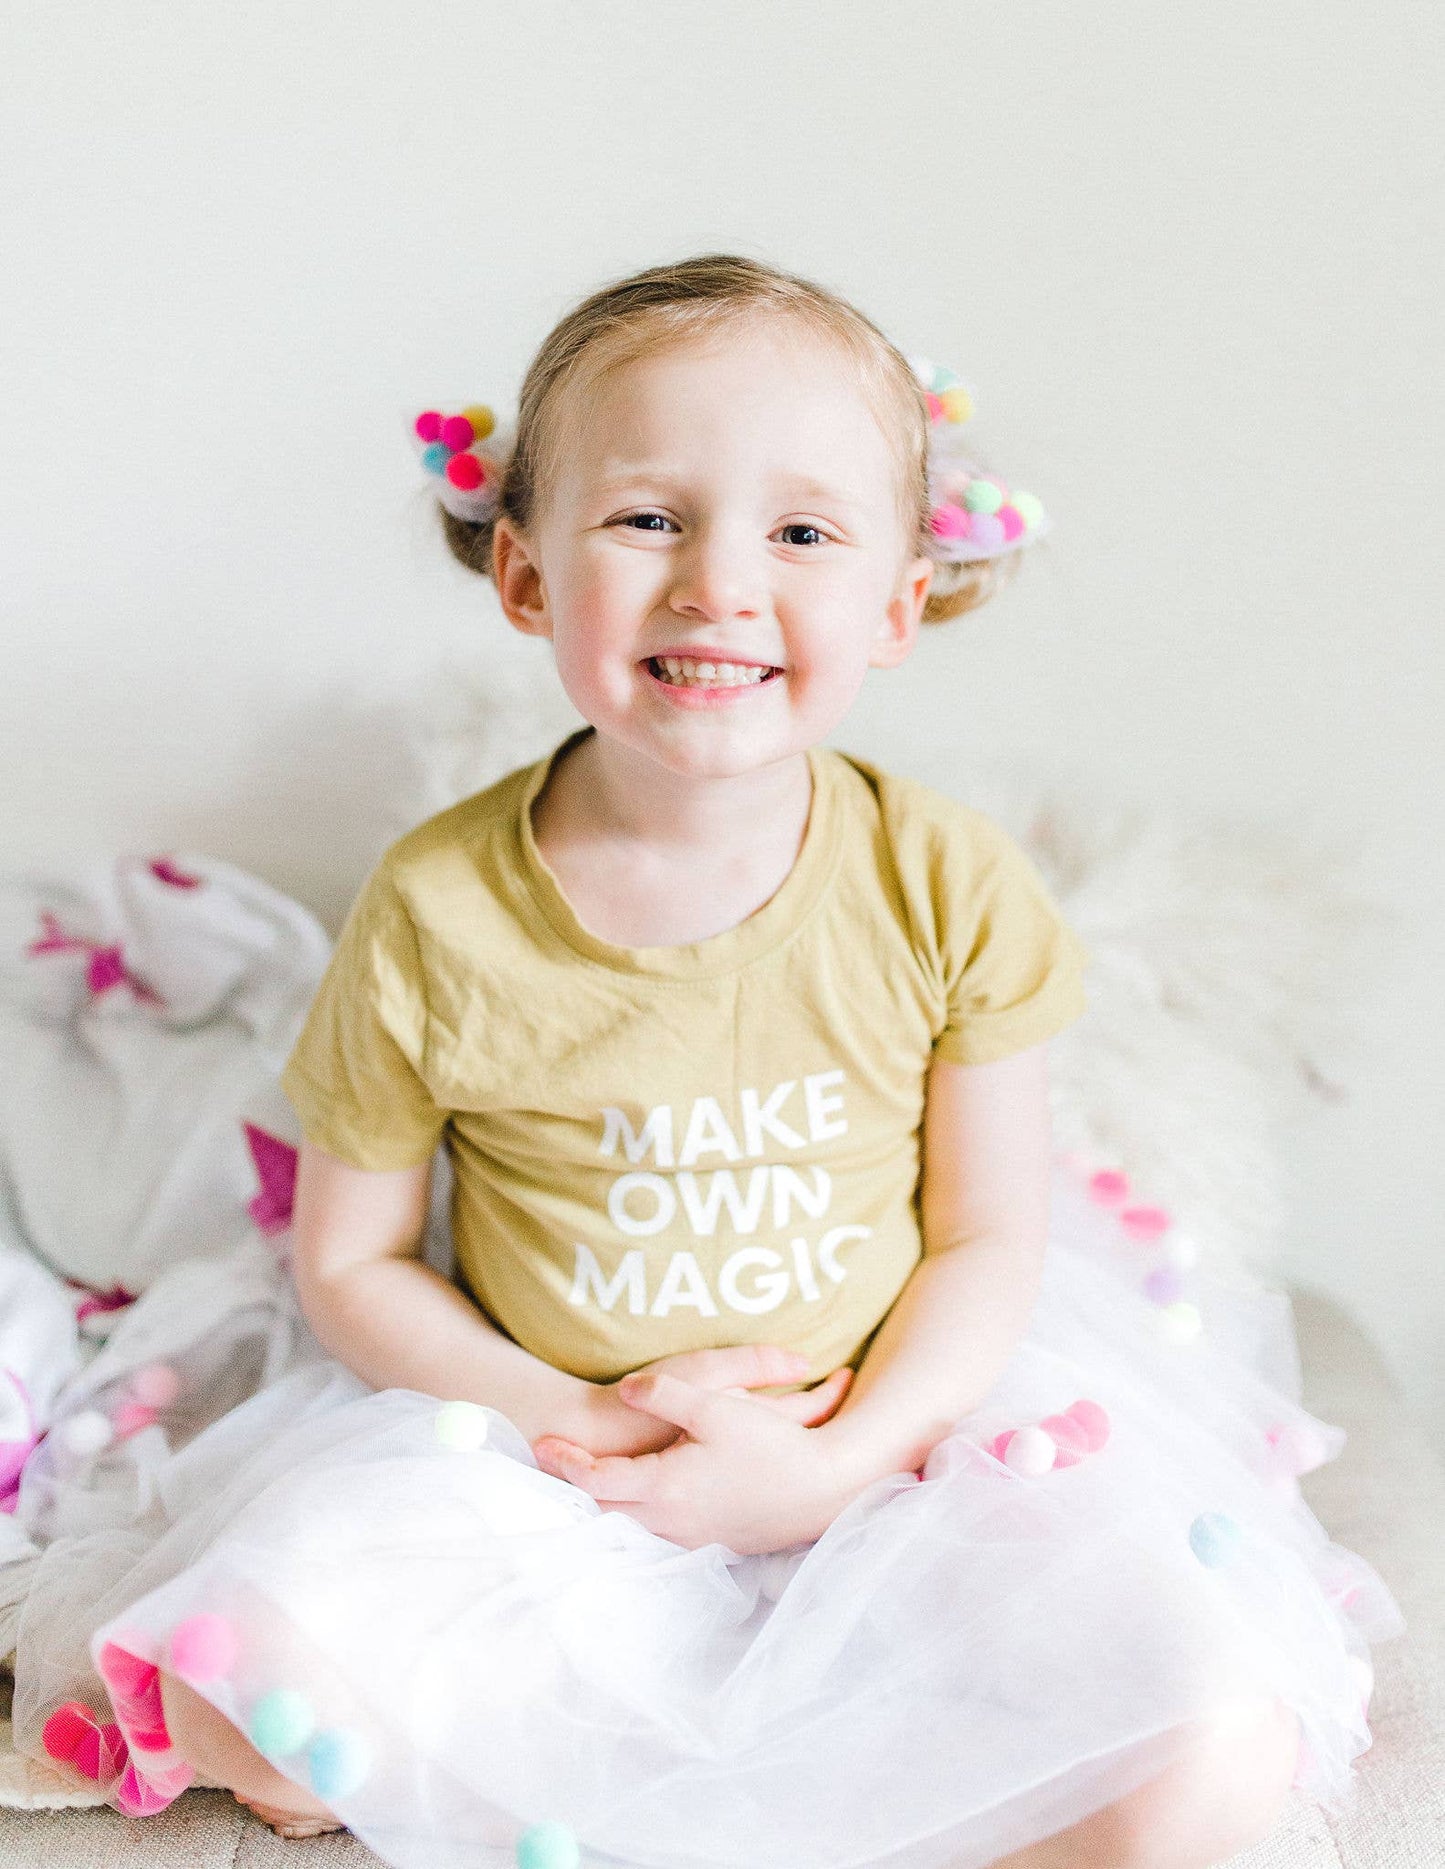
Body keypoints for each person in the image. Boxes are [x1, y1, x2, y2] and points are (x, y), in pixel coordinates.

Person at [24, 255, 1400, 1869]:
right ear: (525, 574)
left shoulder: (945, 880)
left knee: (1204, 1741)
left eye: (801, 533)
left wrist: (833, 1459)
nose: (718, 584)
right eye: (647, 518)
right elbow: (353, 1260)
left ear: (899, 600)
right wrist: (583, 1426)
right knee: (253, 1674)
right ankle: (622, 1736)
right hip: (546, 1461)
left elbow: (984, 1234)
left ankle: (868, 1759)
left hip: (896, 1439)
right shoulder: (437, 904)